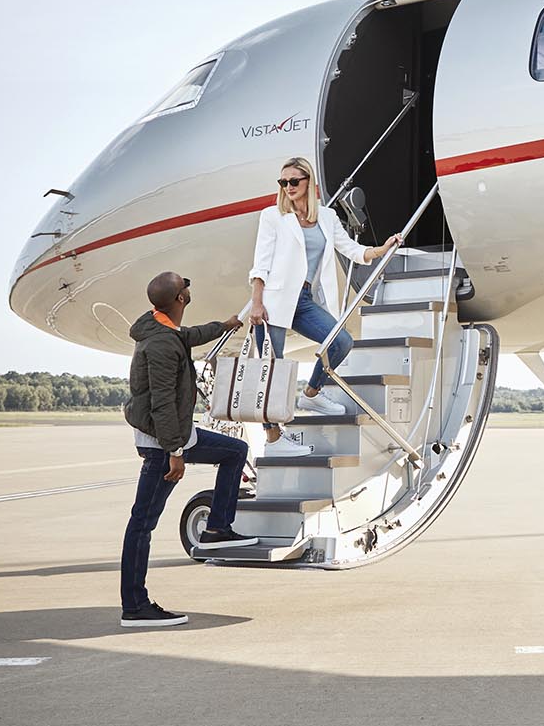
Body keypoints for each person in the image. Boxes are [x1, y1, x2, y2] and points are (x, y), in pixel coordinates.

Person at [119, 271, 254, 628]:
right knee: (141, 524)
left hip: (177, 436)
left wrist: (224, 326)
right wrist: (175, 453)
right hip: (163, 445)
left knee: (234, 451)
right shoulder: (161, 345)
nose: (190, 286)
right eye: (186, 284)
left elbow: (189, 335)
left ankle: (217, 528)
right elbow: (163, 403)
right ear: (181, 298)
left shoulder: (162, 326)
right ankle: (135, 606)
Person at [246, 156, 403, 456]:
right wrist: (256, 302)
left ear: (309, 182)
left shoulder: (327, 218)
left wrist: (382, 249)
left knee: (341, 341)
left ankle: (311, 392)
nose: (288, 187)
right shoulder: (273, 216)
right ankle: (273, 439)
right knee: (272, 368)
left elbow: (352, 250)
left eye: (294, 181)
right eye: (283, 182)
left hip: (305, 299)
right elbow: (261, 263)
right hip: (274, 301)